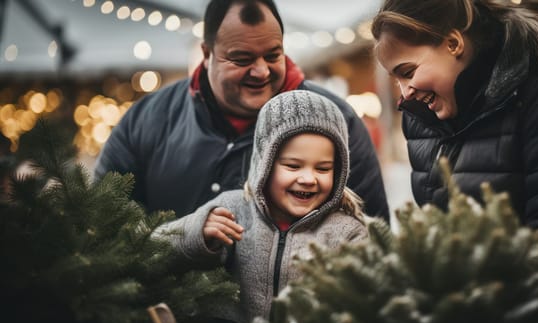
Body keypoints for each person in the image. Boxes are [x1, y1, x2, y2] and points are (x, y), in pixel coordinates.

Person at [94, 0, 389, 222]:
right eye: (242, 58)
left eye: (273, 55)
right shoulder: (147, 119)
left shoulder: (336, 120)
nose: (261, 71)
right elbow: (102, 221)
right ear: (207, 54)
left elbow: (373, 234)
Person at [370, 0, 538, 251]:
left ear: (454, 44)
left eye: (408, 72)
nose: (405, 93)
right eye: (396, 78)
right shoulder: (421, 122)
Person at [155, 90, 369, 323]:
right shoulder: (232, 210)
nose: (309, 178)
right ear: (265, 163)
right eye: (292, 166)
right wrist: (197, 233)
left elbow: (368, 302)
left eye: (323, 168)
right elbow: (153, 251)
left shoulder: (347, 232)